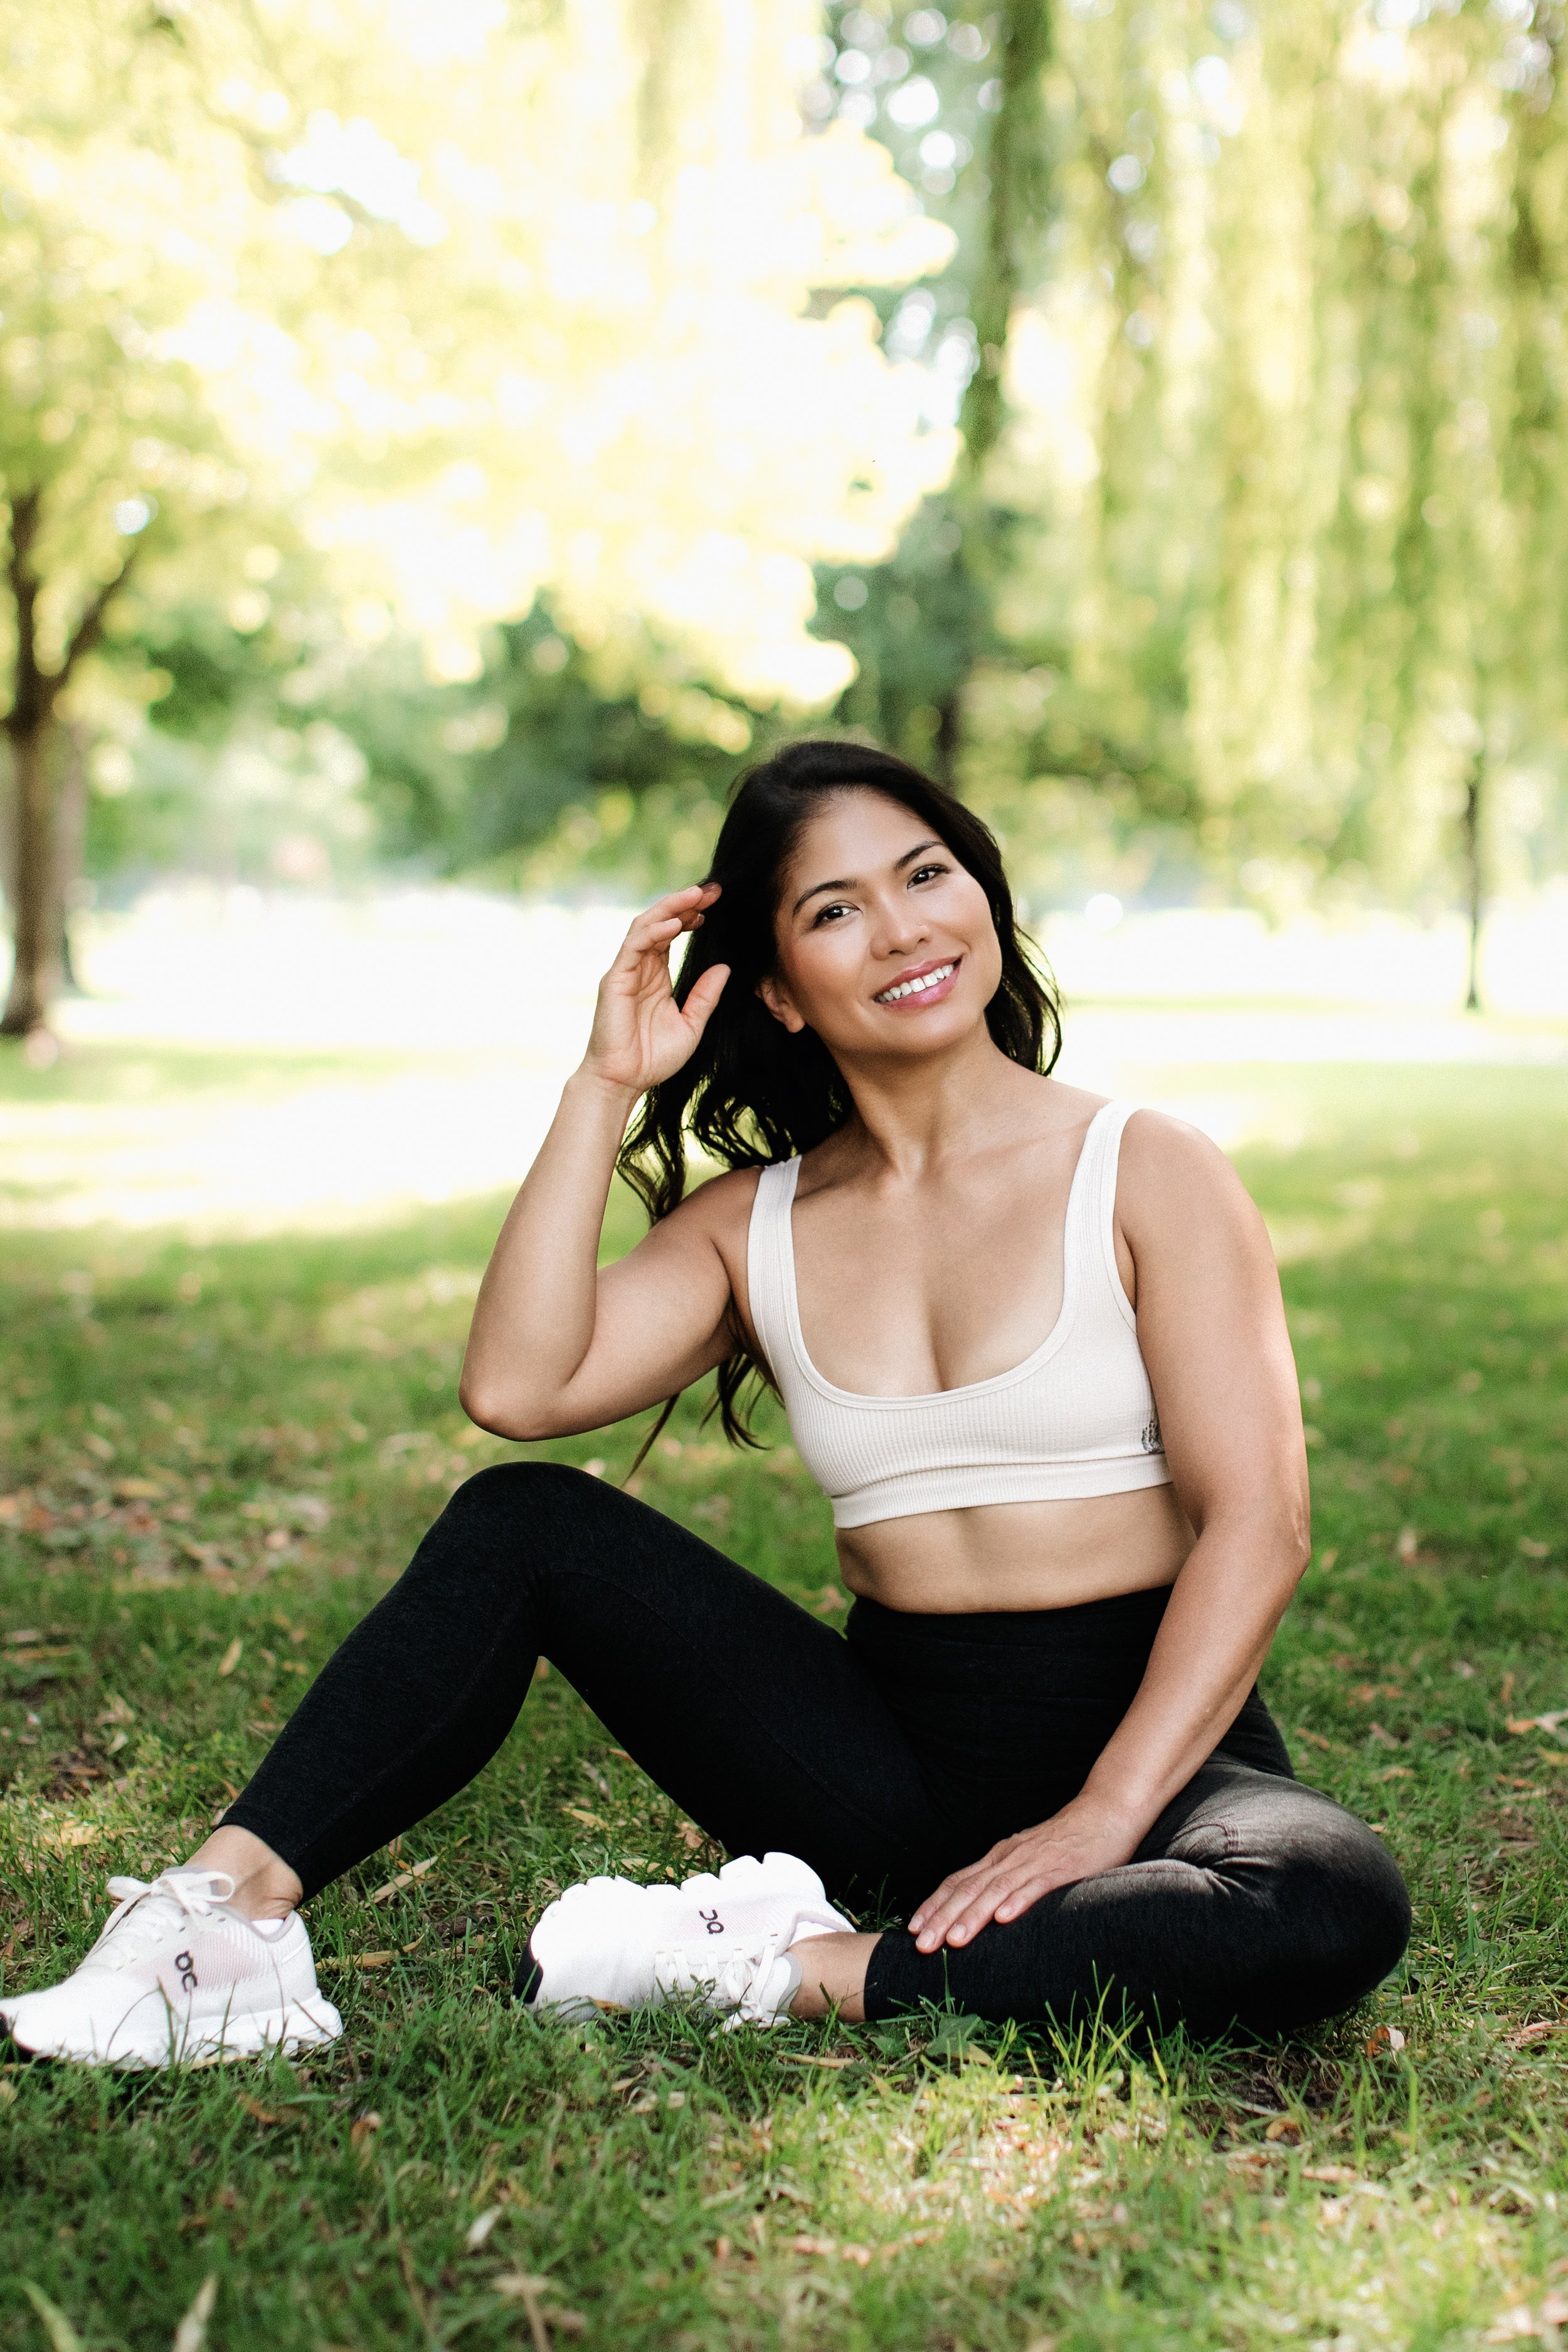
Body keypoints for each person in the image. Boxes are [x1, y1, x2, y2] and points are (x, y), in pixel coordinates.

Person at [1, 741, 1410, 2068]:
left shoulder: (1148, 1167)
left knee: (1326, 1895)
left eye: (926, 875)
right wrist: (604, 1080)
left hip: (1158, 1756)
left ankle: (767, 1969)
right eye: (836, 909)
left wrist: (1103, 1818)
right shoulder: (758, 1227)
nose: (906, 930)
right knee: (523, 1525)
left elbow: (1259, 1524)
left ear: (983, 896)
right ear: (781, 987)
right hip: (880, 1760)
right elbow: (517, 1386)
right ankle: (215, 1921)